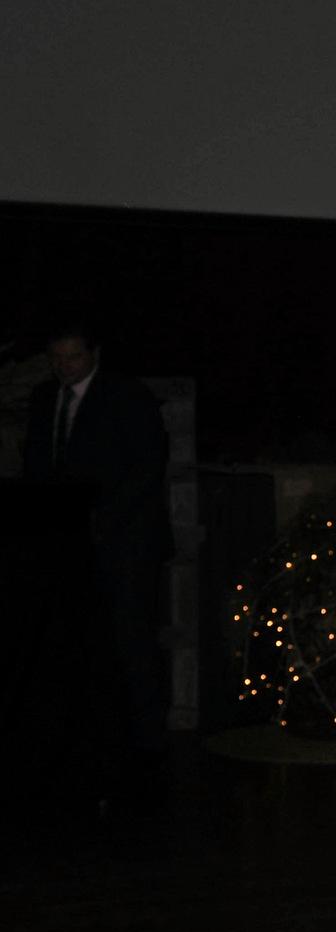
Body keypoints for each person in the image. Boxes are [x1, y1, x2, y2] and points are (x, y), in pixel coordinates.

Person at [20, 318, 172, 758]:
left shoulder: (126, 395)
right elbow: (39, 463)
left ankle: (148, 738)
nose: (65, 367)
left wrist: (102, 519)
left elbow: (146, 467)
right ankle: (89, 732)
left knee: (132, 637)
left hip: (125, 542)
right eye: (57, 358)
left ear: (94, 355)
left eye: (74, 357)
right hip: (69, 542)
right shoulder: (45, 398)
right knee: (76, 638)